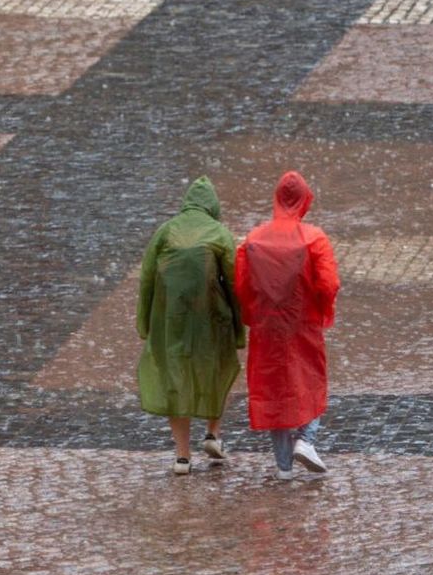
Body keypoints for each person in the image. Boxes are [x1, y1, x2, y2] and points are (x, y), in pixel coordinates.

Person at [236, 171, 341, 480]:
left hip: (267, 326)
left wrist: (253, 315)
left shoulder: (254, 239)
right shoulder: (314, 239)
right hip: (302, 323)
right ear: (305, 200)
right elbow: (329, 283)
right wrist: (321, 309)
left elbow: (242, 285)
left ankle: (283, 466)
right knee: (310, 380)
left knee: (274, 389)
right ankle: (306, 439)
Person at [137, 176, 244, 475]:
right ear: (213, 206)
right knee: (217, 368)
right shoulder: (220, 234)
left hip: (170, 318)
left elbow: (147, 278)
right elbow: (235, 283)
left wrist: (144, 322)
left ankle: (182, 456)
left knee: (175, 378)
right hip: (211, 317)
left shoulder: (166, 231)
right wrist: (239, 326)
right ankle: (212, 433)